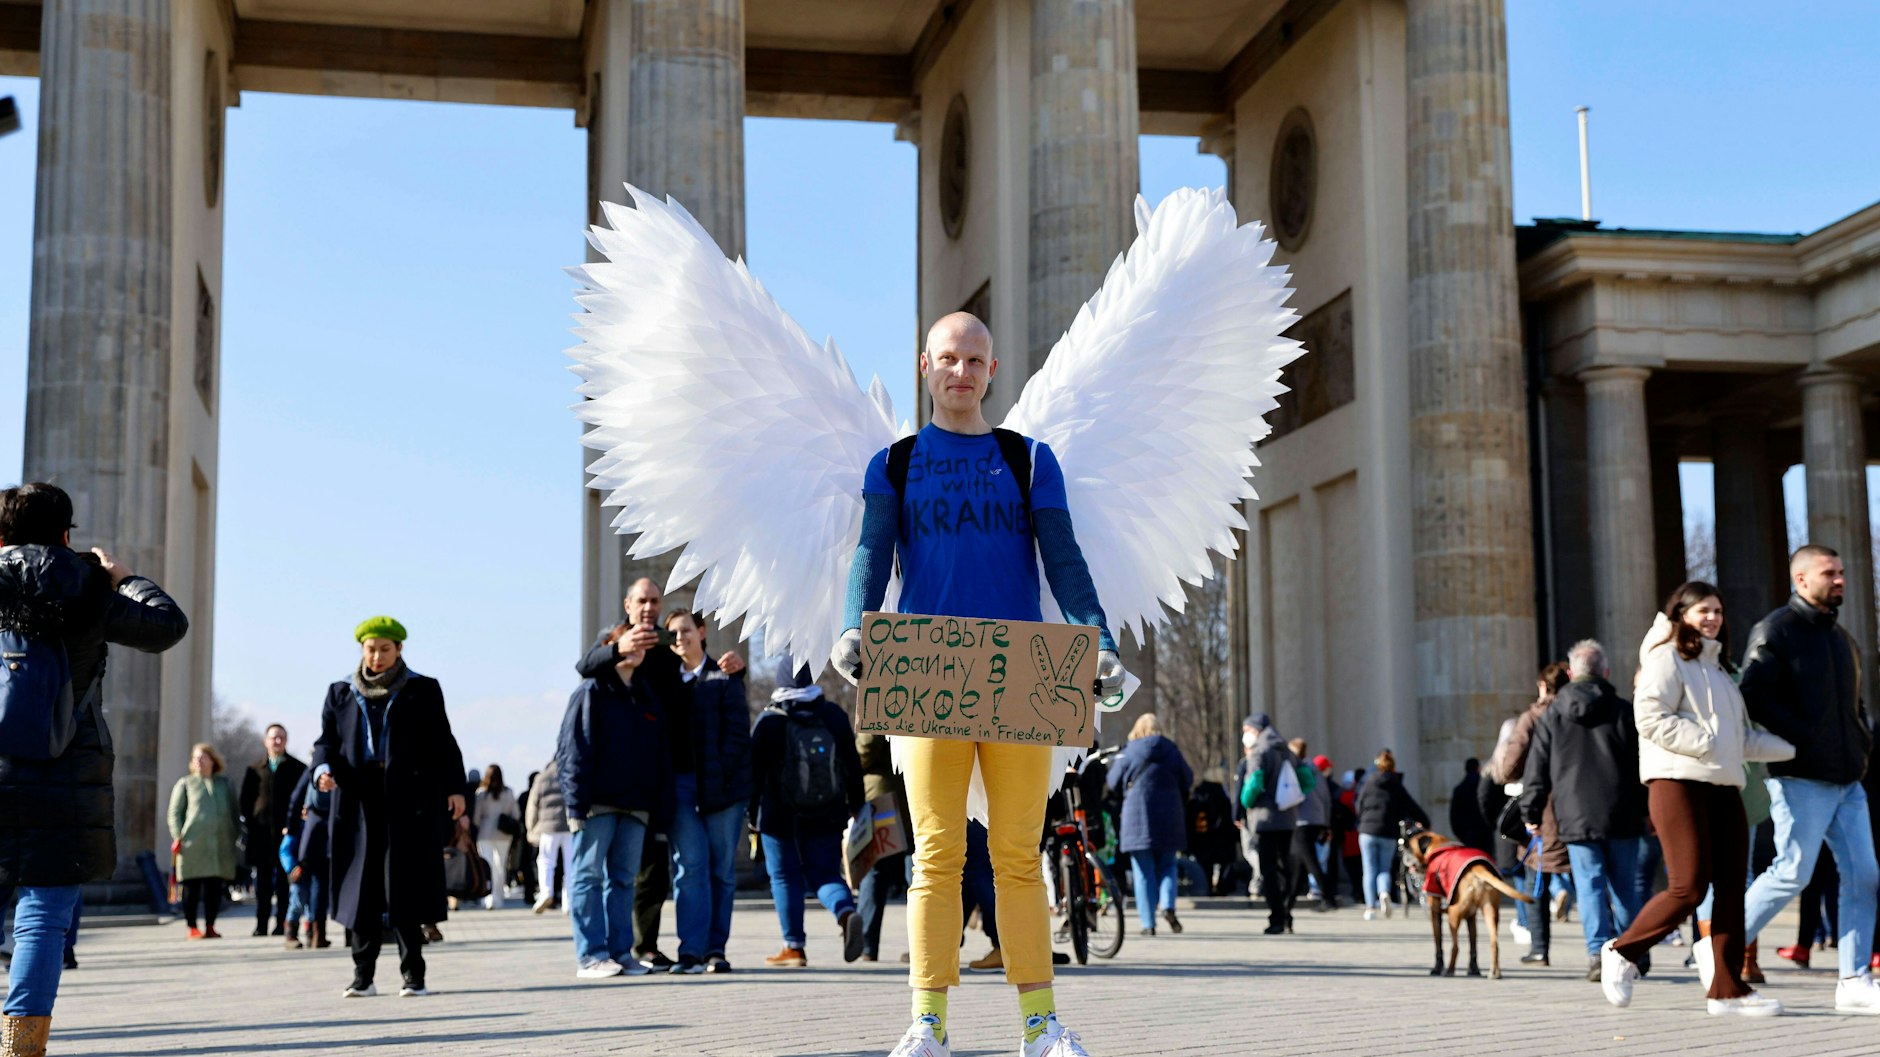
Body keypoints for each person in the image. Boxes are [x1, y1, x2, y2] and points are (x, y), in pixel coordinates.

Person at [830, 312, 1124, 1056]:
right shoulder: (893, 464)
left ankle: (1040, 1026)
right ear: (925, 363)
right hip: (926, 673)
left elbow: (1064, 559)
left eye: (976, 360)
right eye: (949, 359)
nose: (961, 372)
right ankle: (927, 1024)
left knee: (1018, 855)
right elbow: (870, 556)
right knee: (936, 853)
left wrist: (1103, 641)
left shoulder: (1029, 460)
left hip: (1018, 676)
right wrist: (852, 625)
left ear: (994, 370)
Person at [0, 482, 189, 1054]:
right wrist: (123, 575)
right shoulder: (87, 583)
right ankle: (21, 1044)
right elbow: (167, 626)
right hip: (65, 771)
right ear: (65, 532)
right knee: (43, 912)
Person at [1596, 582, 1793, 1016]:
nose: (1713, 618)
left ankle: (1727, 990)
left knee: (1730, 889)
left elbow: (1740, 740)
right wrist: (1705, 742)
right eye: (1703, 610)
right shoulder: (1666, 657)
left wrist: (1797, 748)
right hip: (1676, 781)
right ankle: (1622, 950)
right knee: (1688, 886)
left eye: (1719, 611)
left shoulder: (1719, 671)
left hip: (1724, 785)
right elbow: (1648, 715)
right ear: (1681, 613)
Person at [1735, 545, 1880, 1013]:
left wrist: (1860, 743)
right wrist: (1805, 737)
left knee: (1864, 876)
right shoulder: (1776, 630)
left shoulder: (1842, 638)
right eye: (1829, 573)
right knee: (1792, 872)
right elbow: (1752, 696)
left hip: (1847, 779)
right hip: (1799, 775)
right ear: (1800, 579)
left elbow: (1855, 706)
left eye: (1841, 572)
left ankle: (1853, 980)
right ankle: (1718, 944)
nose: (1840, 580)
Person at [575, 578, 744, 972]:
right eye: (642, 601)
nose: (649, 607)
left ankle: (691, 950)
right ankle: (634, 948)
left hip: (663, 784)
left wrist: (735, 668)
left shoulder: (669, 657)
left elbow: (699, 677)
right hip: (636, 784)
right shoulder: (614, 639)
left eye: (654, 601)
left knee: (651, 869)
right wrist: (620, 648)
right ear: (628, 604)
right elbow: (584, 667)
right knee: (638, 872)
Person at [311, 616, 467, 998]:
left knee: (405, 885)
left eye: (385, 649)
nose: (377, 656)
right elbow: (325, 743)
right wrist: (323, 770)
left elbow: (443, 742)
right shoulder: (341, 692)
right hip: (357, 800)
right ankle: (362, 976)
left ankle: (414, 974)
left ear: (399, 650)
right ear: (361, 650)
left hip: (409, 800)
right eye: (371, 649)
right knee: (360, 887)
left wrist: (455, 788)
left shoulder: (423, 689)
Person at [1519, 639, 1649, 982]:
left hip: (1574, 814)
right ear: (1605, 671)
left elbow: (1537, 768)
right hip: (1622, 812)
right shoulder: (1624, 710)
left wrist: (1531, 810)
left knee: (1589, 885)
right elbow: (1642, 764)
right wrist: (1649, 808)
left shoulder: (1552, 715)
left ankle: (1598, 954)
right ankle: (1633, 950)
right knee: (1624, 885)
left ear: (1571, 672)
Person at [558, 621, 668, 980]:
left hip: (635, 804)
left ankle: (621, 953)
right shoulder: (591, 691)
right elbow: (572, 751)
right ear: (611, 645)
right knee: (587, 878)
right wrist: (575, 804)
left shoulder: (646, 693)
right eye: (627, 641)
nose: (636, 648)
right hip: (597, 803)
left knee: (623, 880)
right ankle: (590, 955)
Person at [749, 660, 865, 968]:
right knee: (826, 873)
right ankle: (845, 912)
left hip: (778, 815)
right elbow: (852, 766)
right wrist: (857, 805)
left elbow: (753, 774)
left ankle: (794, 947)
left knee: (785, 877)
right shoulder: (833, 716)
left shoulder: (769, 721)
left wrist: (751, 815)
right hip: (827, 811)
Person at [663, 608, 753, 974]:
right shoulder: (664, 681)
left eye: (686, 630)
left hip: (724, 790)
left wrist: (724, 779)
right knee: (689, 866)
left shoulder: (725, 676)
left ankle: (716, 949)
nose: (680, 638)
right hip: (680, 786)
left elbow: (737, 736)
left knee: (721, 871)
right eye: (673, 634)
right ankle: (690, 950)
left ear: (702, 632)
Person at [1481, 662, 1571, 964]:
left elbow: (1508, 767)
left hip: (1542, 807)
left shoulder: (1532, 718)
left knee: (1536, 875)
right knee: (1590, 875)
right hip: (1580, 805)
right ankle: (1601, 951)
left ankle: (1539, 947)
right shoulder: (1579, 713)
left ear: (1543, 687)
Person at [1106, 714, 1193, 936]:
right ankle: (1167, 906)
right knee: (1168, 865)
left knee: (1142, 870)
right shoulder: (1172, 750)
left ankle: (1148, 923)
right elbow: (1188, 779)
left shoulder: (1129, 751)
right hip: (1170, 815)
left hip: (1138, 815)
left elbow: (1113, 781)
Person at [238, 724, 308, 938]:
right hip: (260, 834)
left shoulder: (298, 768)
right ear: (265, 741)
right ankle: (261, 924)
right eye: (273, 737)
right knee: (262, 884)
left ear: (286, 741)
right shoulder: (254, 769)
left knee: (285, 883)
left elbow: (303, 800)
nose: (277, 741)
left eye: (281, 738)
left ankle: (281, 923)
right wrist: (251, 823)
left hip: (287, 834)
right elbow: (245, 801)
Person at [168, 743, 243, 940]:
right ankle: (191, 926)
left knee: (214, 888)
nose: (198, 761)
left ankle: (210, 925)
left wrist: (235, 834)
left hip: (219, 844)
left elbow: (235, 813)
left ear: (213, 760)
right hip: (192, 844)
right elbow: (174, 813)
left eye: (203, 757)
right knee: (191, 888)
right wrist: (178, 836)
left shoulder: (225, 784)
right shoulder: (186, 783)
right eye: (195, 758)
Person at [1238, 714, 1304, 934]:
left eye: (1246, 729)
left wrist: (1245, 802)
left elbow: (1253, 784)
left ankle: (1277, 917)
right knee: (1286, 866)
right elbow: (1307, 779)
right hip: (1288, 817)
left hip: (1265, 818)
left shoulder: (1259, 751)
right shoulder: (1286, 750)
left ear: (1256, 730)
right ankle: (1287, 912)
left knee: (1269, 869)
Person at [856, 731, 913, 962]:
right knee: (920, 871)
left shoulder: (881, 694)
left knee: (875, 869)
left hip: (883, 795)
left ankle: (867, 945)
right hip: (915, 789)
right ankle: (925, 945)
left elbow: (866, 747)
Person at [1355, 750, 1428, 920]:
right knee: (1384, 868)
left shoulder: (1369, 782)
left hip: (1367, 831)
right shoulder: (1396, 784)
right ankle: (1384, 893)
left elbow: (1359, 804)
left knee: (1369, 869)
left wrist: (1362, 820)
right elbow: (1411, 806)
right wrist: (1424, 820)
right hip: (1387, 832)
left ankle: (1370, 908)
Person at [285, 759, 334, 950]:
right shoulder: (348, 761)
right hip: (345, 826)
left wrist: (291, 825)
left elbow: (296, 798)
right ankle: (350, 934)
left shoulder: (314, 768)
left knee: (318, 886)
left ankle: (317, 935)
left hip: (317, 832)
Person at [1288, 737, 1338, 911]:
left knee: (1310, 862)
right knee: (1301, 864)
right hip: (1317, 820)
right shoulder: (1315, 771)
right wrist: (1326, 823)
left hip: (1302, 820)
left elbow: (1291, 795)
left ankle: (1328, 897)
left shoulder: (1298, 771)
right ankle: (1288, 906)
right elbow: (1326, 799)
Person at [472, 765, 520, 911]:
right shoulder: (509, 792)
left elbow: (476, 818)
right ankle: (498, 897)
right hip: (504, 834)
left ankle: (487, 897)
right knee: (500, 867)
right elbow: (516, 814)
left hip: (485, 833)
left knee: (487, 867)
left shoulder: (481, 794)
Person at [527, 760, 572, 914]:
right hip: (569, 824)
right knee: (570, 864)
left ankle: (546, 892)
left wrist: (531, 828)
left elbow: (533, 804)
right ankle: (569, 901)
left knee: (546, 860)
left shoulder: (542, 777)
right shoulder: (571, 773)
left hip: (548, 826)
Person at [1185, 767, 1237, 897]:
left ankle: (1205, 887)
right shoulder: (1221, 794)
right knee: (1224, 863)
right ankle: (1221, 887)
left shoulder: (1198, 793)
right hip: (1221, 837)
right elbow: (1227, 816)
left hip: (1201, 836)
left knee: (1204, 864)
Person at [1449, 759, 1493, 855]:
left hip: (1467, 834)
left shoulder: (1459, 789)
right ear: (1478, 768)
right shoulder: (1485, 786)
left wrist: (1458, 833)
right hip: (1485, 832)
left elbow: (1454, 815)